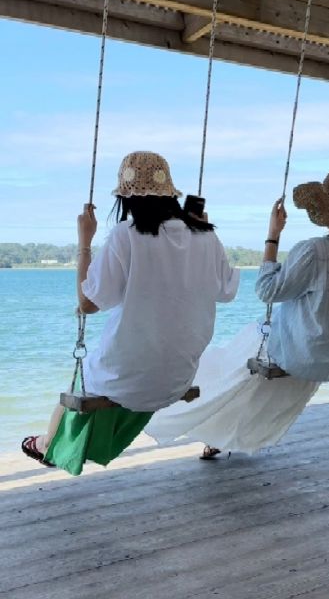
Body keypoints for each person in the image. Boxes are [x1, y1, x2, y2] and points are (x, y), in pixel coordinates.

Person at [147, 166, 329, 458]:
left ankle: (186, 417)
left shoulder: (316, 251)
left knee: (224, 366)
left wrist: (272, 237)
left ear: (328, 211)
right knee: (245, 380)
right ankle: (221, 436)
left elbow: (267, 291)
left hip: (296, 352)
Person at [21, 151, 239, 474]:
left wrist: (85, 241)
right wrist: (203, 230)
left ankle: (47, 445)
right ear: (171, 195)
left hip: (128, 380)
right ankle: (57, 444)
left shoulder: (126, 236)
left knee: (89, 380)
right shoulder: (205, 236)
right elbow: (228, 292)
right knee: (117, 371)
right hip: (178, 378)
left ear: (126, 197)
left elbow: (87, 303)